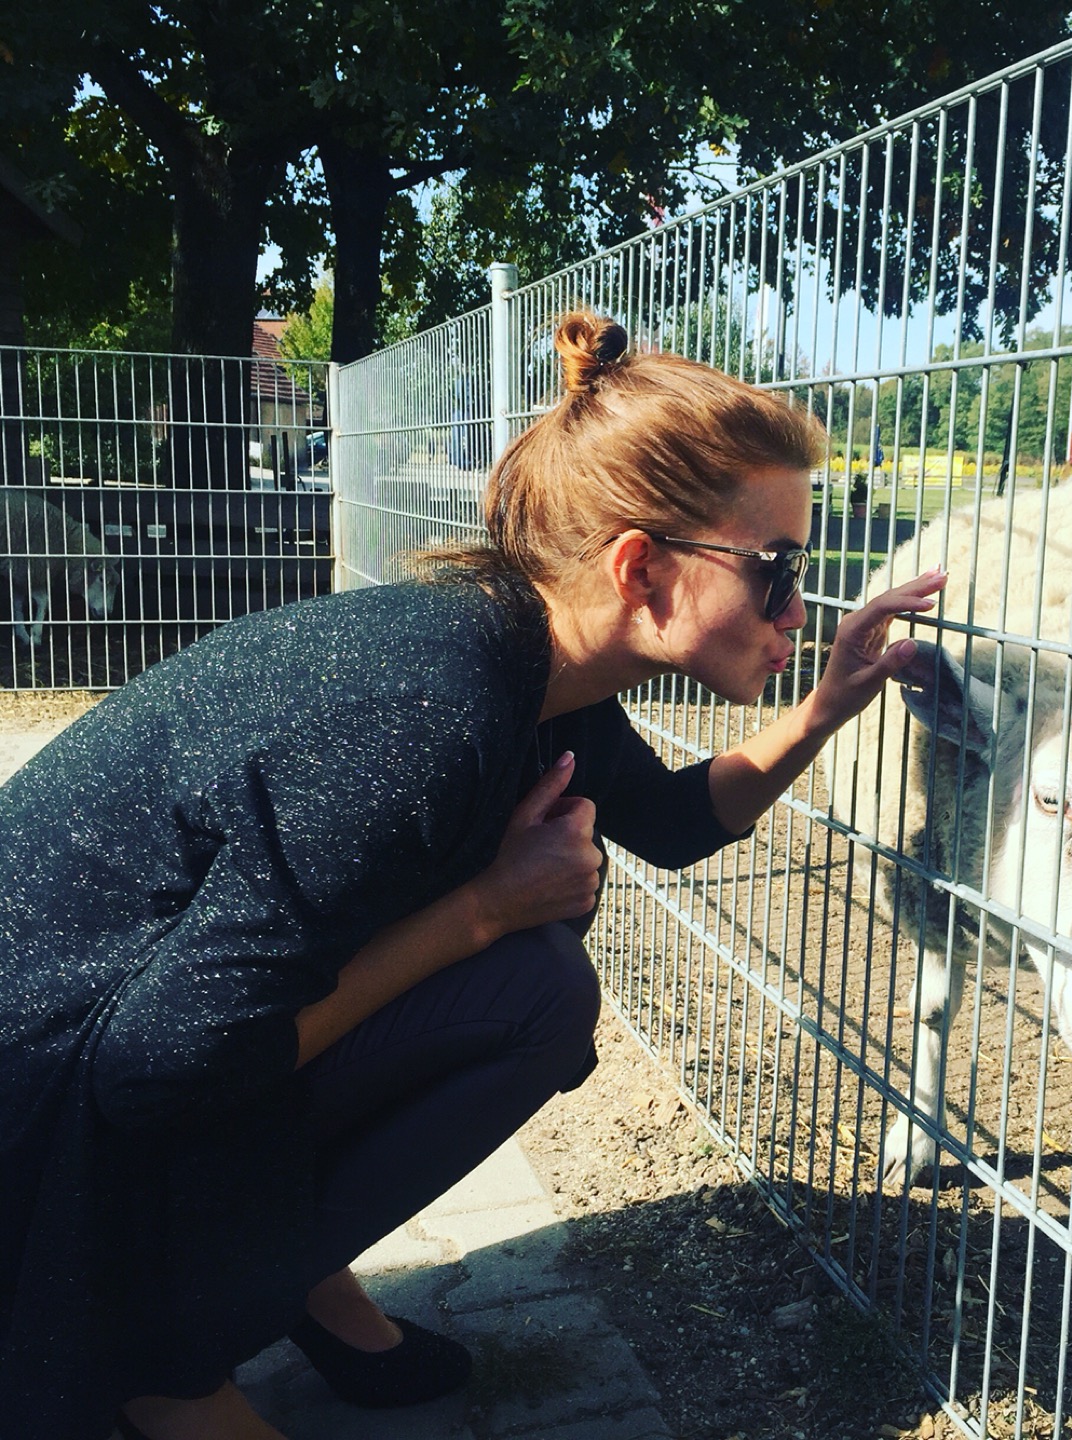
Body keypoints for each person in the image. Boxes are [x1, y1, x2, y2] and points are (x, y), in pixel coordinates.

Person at [0, 311, 945, 1440]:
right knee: (529, 992)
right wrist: (485, 909)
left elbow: (678, 823)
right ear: (640, 567)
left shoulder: (531, 662)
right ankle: (163, 1346)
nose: (799, 608)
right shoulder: (432, 711)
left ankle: (276, 1275)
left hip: (114, 1041)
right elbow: (161, 1066)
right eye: (777, 571)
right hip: (41, 1096)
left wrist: (828, 704)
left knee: (530, 981)